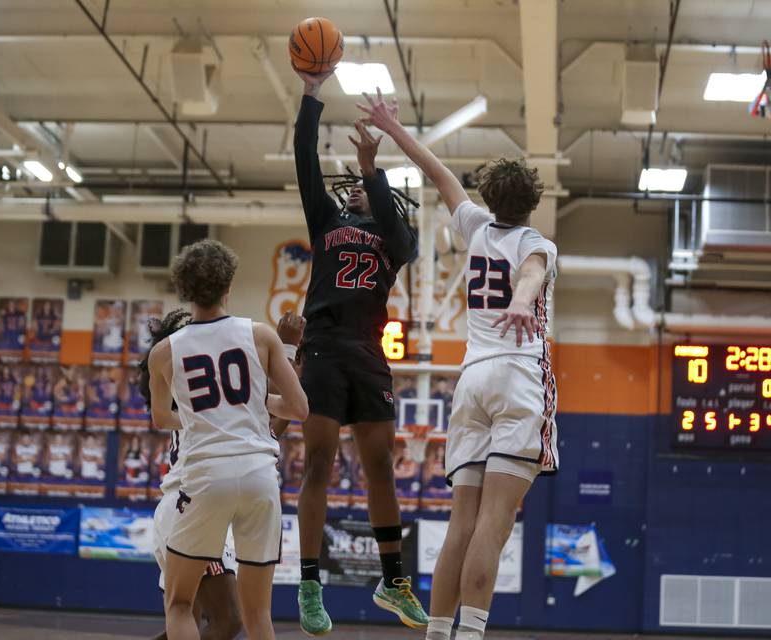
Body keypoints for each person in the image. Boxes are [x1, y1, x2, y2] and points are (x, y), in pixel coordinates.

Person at [359, 90, 558, 640]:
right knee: (495, 527)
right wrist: (521, 302)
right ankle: (469, 637)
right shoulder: (536, 241)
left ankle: (437, 633)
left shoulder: (474, 227)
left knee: (460, 526)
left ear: (490, 198)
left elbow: (436, 168)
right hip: (517, 374)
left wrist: (392, 127)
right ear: (532, 202)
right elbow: (534, 271)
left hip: (470, 381)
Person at [291, 66, 427, 634]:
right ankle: (308, 585)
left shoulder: (399, 240)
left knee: (379, 469)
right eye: (354, 186)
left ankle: (393, 581)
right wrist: (311, 94)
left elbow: (401, 242)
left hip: (368, 352)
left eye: (367, 189)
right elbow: (304, 160)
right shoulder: (326, 220)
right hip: (321, 345)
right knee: (319, 462)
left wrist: (374, 170)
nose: (355, 191)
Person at [147, 239, 307, 640]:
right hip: (259, 477)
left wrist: (205, 413)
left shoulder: (164, 353)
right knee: (258, 617)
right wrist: (252, 401)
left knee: (180, 604)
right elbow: (299, 409)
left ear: (184, 290)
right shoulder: (260, 334)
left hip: (205, 479)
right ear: (228, 286)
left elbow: (161, 417)